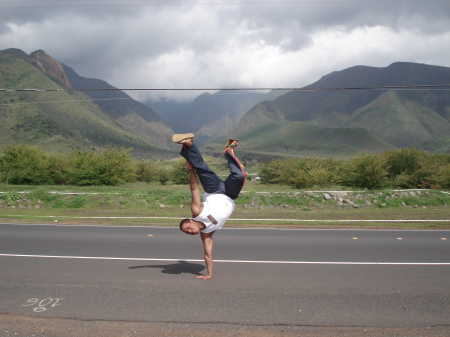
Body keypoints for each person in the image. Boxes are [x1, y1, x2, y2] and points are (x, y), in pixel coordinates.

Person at [172, 133, 247, 280]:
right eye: (188, 233)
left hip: (213, 189)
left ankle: (189, 144)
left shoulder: (197, 211)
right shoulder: (207, 232)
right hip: (230, 194)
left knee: (200, 167)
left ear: (191, 220)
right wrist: (209, 274)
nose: (190, 232)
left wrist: (191, 170)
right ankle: (228, 151)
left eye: (187, 228)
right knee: (240, 175)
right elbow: (207, 253)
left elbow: (194, 189)